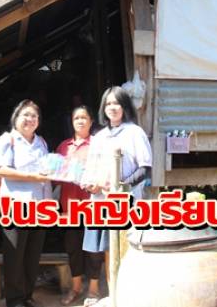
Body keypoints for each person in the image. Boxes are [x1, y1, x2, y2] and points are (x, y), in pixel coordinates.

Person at [81, 86, 152, 307]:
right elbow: (90, 170)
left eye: (117, 103)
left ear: (125, 106)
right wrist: (90, 184)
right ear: (103, 108)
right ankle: (114, 296)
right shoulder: (99, 137)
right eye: (109, 103)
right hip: (101, 203)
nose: (112, 107)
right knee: (106, 250)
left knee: (126, 249)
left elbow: (144, 168)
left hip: (126, 203)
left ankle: (129, 297)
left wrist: (121, 187)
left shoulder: (135, 133)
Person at [0, 100, 51, 307]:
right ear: (16, 118)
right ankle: (15, 299)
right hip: (15, 205)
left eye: (34, 116)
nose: (30, 119)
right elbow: (1, 169)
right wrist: (33, 176)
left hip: (40, 206)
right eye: (25, 115)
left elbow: (47, 172)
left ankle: (27, 296)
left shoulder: (41, 142)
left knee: (32, 254)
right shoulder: (8, 139)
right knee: (15, 254)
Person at [55, 106, 104, 306]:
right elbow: (55, 175)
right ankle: (76, 287)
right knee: (73, 247)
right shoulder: (63, 146)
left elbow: (106, 171)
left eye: (84, 118)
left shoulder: (98, 144)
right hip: (69, 206)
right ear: (72, 122)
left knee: (94, 248)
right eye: (77, 118)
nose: (80, 121)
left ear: (91, 122)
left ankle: (93, 288)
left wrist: (98, 182)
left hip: (93, 204)